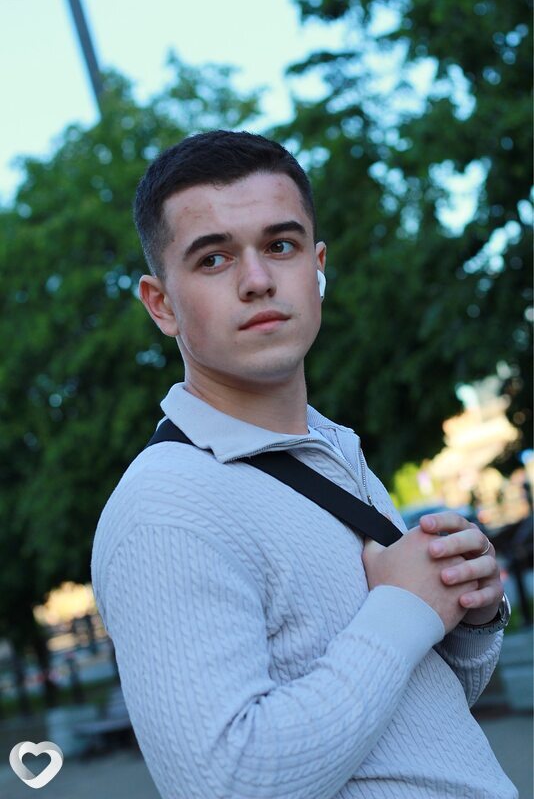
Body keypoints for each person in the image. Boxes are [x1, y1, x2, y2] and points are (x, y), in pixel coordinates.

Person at [91, 130, 517, 799]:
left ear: (317, 266)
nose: (258, 280)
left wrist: (463, 617)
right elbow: (227, 784)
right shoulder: (165, 508)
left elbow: (408, 719)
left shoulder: (332, 452)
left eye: (280, 246)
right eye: (213, 259)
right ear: (162, 304)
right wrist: (402, 607)